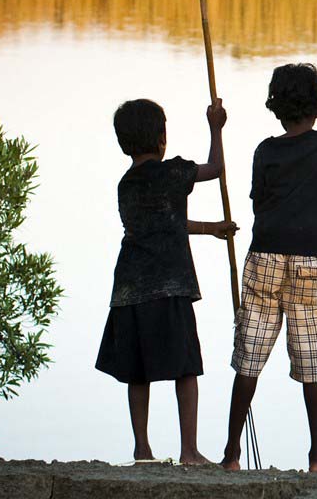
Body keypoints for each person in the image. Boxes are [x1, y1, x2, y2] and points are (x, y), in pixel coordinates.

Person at [220, 63, 317, 472]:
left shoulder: (265, 151)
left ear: (277, 107)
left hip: (265, 257)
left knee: (249, 356)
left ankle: (231, 454)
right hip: (308, 262)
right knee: (311, 361)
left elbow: (261, 202)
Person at [95, 97, 234, 465]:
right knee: (186, 368)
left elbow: (162, 222)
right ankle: (189, 451)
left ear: (125, 142)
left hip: (129, 289)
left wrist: (211, 229)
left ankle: (142, 450)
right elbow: (217, 168)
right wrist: (216, 126)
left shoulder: (126, 184)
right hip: (170, 286)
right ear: (161, 138)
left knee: (136, 372)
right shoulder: (173, 173)